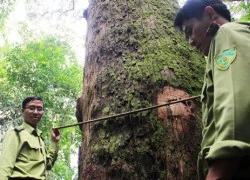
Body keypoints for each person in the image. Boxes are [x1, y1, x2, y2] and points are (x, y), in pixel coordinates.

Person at [174, 0, 250, 179]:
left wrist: (218, 172)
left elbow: (236, 107)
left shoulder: (226, 33)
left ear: (210, 13)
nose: (191, 43)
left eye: (190, 31)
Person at [0, 96, 60, 180]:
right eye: (31, 108)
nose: (36, 112)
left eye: (39, 109)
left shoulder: (39, 138)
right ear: (23, 111)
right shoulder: (15, 134)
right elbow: (5, 167)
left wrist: (54, 142)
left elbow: (48, 165)